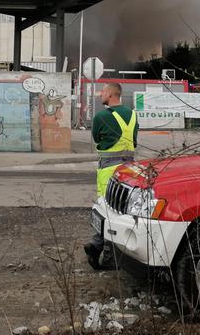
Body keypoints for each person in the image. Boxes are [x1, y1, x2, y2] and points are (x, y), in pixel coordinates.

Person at [83, 81, 138, 270]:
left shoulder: (100, 117)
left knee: (105, 211)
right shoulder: (132, 115)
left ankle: (104, 253)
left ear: (112, 94)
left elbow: (97, 139)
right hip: (129, 171)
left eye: (103, 92)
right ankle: (104, 249)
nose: (100, 95)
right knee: (122, 212)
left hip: (108, 170)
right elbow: (134, 142)